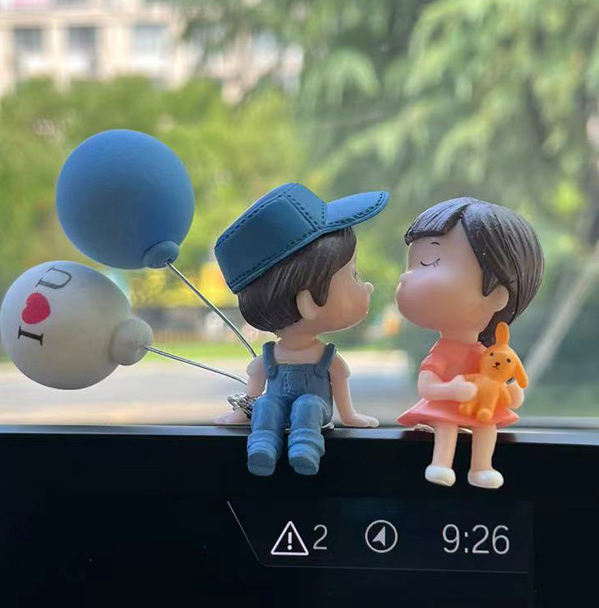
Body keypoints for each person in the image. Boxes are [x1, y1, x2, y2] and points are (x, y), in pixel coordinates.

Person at [215, 182, 388, 477]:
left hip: (315, 409)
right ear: (308, 303)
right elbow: (254, 393)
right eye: (354, 275)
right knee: (266, 405)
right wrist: (240, 414)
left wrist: (350, 417)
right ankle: (262, 448)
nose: (366, 285)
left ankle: (305, 448)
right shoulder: (271, 357)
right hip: (279, 407)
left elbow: (341, 390)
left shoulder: (327, 357)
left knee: (308, 405)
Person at [396, 197, 544, 489]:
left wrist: (510, 391)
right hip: (450, 405)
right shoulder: (443, 352)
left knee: (487, 427)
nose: (406, 276)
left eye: (429, 262)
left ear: (497, 296)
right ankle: (441, 464)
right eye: (412, 263)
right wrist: (450, 389)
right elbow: (427, 386)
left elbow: (498, 377)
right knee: (446, 425)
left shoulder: (486, 354)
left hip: (479, 408)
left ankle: (482, 467)